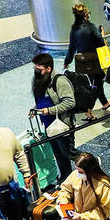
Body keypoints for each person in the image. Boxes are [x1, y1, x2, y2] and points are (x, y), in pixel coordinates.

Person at [32, 53, 80, 183]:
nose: (36, 72)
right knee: (59, 155)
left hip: (62, 124)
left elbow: (70, 102)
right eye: (35, 69)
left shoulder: (60, 81)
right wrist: (36, 109)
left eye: (39, 69)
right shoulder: (40, 81)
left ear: (48, 68)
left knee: (69, 153)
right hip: (49, 126)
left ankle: (90, 166)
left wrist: (49, 110)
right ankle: (66, 178)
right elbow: (42, 99)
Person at [64, 4, 110, 115]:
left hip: (83, 61)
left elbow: (72, 47)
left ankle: (104, 102)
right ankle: (88, 108)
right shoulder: (90, 26)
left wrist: (67, 61)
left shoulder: (73, 28)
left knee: (95, 82)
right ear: (86, 14)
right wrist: (101, 33)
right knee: (98, 84)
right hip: (94, 59)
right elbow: (100, 42)